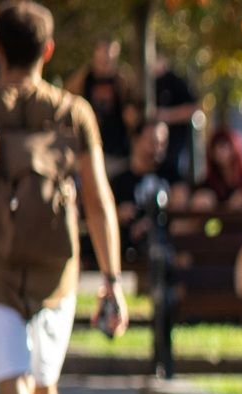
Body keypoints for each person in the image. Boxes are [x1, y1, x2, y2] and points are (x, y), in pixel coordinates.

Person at [0, 1, 128, 394]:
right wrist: (113, 279)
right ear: (48, 51)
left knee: (11, 380)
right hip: (59, 268)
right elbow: (98, 201)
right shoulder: (74, 113)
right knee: (44, 381)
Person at [110, 119, 190, 258]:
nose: (157, 148)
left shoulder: (173, 177)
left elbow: (180, 208)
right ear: (135, 140)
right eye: (152, 142)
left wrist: (151, 221)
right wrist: (118, 214)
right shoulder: (119, 180)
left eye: (163, 143)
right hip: (126, 251)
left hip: (165, 250)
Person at [64, 37, 138, 177]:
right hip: (87, 151)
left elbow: (133, 112)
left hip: (116, 153)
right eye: (102, 57)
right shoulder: (81, 80)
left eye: (110, 58)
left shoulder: (123, 81)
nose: (106, 62)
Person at [152, 54, 199, 184]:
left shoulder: (175, 81)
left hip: (175, 149)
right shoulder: (145, 82)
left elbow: (193, 108)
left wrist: (165, 116)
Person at [191, 126, 242, 210]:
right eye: (215, 147)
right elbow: (196, 194)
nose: (219, 152)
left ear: (234, 147)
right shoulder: (210, 181)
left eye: (223, 146)